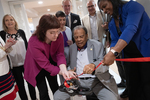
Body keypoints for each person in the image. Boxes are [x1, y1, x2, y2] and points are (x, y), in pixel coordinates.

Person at [98, 0, 150, 100]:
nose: (104, 11)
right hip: (129, 57)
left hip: (145, 53)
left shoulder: (133, 6)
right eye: (102, 9)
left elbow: (131, 28)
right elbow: (114, 40)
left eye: (105, 6)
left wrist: (113, 53)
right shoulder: (112, 22)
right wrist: (110, 52)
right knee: (132, 85)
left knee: (147, 83)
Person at [54, 25, 119, 100]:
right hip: (77, 82)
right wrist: (69, 70)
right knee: (58, 97)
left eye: (81, 36)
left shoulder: (97, 45)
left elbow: (104, 66)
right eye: (76, 37)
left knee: (111, 98)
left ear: (87, 35)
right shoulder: (72, 48)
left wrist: (94, 66)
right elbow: (68, 65)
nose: (79, 40)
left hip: (97, 81)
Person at [24, 14, 76, 100]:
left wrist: (64, 69)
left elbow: (60, 54)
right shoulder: (33, 41)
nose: (56, 35)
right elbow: (45, 64)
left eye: (57, 31)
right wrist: (63, 72)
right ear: (43, 31)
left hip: (50, 60)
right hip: (36, 66)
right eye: (52, 32)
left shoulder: (59, 36)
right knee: (43, 91)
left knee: (55, 86)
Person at [0, 14, 36, 100]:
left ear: (14, 21)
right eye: (7, 20)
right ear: (4, 23)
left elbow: (27, 46)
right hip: (14, 65)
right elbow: (3, 48)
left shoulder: (21, 32)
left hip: (26, 63)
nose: (9, 22)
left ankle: (34, 98)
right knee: (20, 85)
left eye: (11, 19)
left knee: (30, 83)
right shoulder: (2, 34)